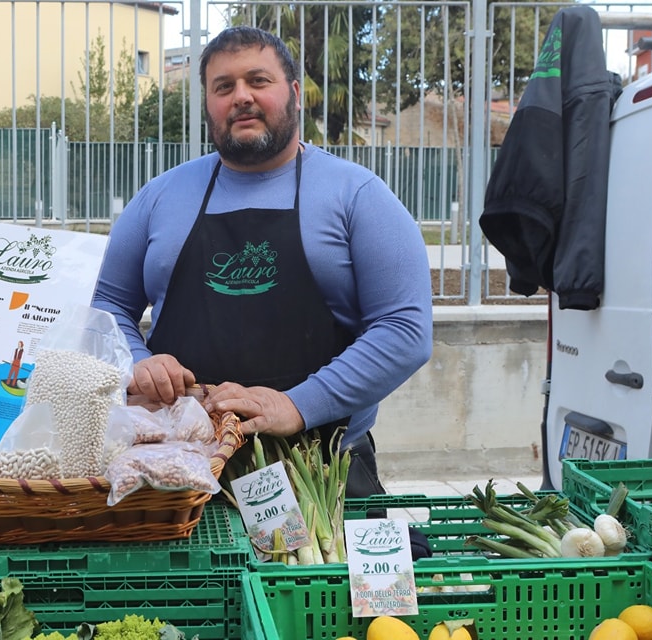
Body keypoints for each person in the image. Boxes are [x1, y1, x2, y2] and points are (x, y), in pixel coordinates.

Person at [92, 26, 433, 504]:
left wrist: (296, 405)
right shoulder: (160, 197)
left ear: (294, 93)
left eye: (258, 80)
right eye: (223, 87)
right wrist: (137, 361)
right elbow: (105, 305)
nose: (241, 97)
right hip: (176, 469)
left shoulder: (357, 195)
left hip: (322, 473)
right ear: (208, 103)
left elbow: (404, 330)